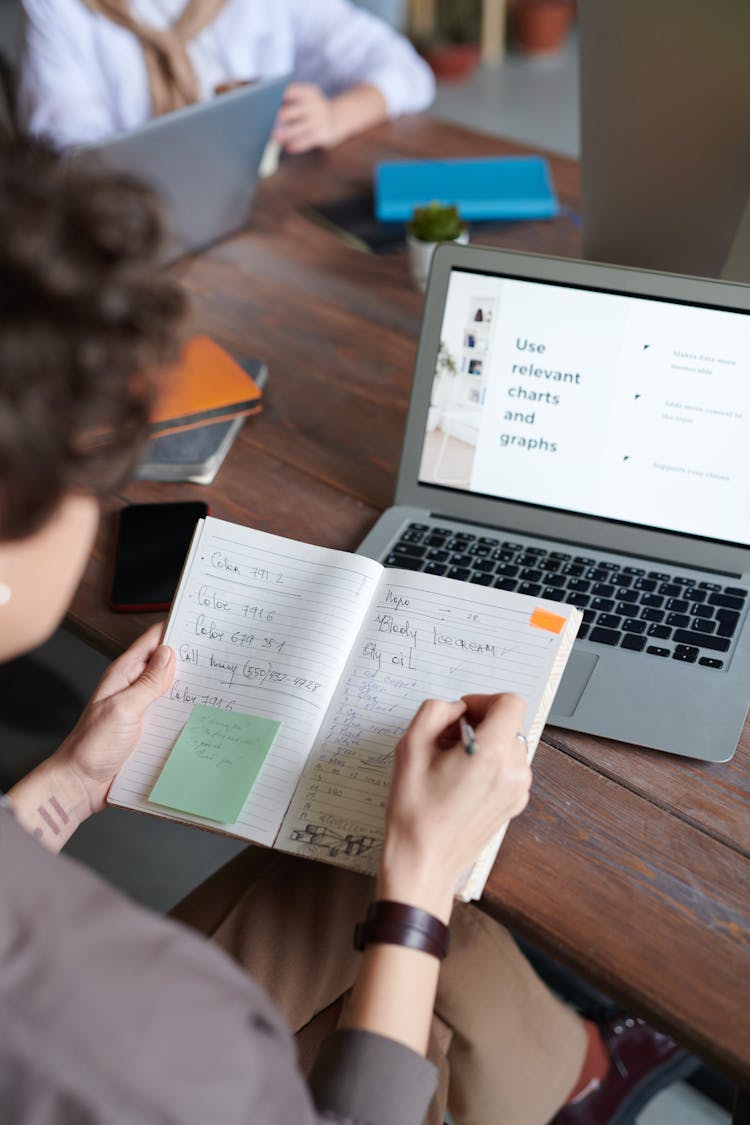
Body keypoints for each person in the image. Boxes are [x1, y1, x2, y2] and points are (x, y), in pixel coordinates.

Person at [0, 134, 692, 1125]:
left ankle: (577, 1073)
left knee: (336, 857)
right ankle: (574, 1078)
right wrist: (416, 888)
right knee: (412, 970)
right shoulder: (119, 1044)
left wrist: (66, 786)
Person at [17, 0, 436, 152]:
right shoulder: (62, 8)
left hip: (260, 222)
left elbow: (406, 70)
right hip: (132, 233)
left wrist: (336, 115)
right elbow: (66, 151)